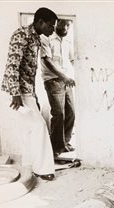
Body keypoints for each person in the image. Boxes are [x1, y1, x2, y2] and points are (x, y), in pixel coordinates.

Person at [1, 7, 58, 181]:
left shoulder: (35, 38)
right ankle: (43, 169)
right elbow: (13, 65)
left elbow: (29, 70)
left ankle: (30, 164)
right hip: (17, 91)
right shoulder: (21, 35)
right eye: (50, 25)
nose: (52, 29)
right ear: (40, 22)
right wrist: (15, 93)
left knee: (27, 129)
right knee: (39, 127)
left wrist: (32, 95)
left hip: (26, 90)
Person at [40, 19, 76, 157]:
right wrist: (63, 77)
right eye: (63, 24)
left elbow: (73, 60)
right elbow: (47, 61)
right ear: (56, 23)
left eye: (68, 25)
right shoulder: (46, 38)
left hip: (66, 80)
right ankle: (56, 148)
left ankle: (65, 143)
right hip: (53, 81)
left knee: (71, 112)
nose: (65, 27)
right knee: (59, 114)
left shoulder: (67, 41)